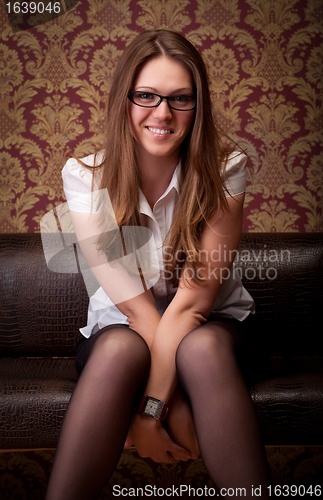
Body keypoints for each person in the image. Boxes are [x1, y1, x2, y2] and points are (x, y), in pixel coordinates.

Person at [45, 29, 271, 500]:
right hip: (126, 333)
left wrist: (151, 412)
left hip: (215, 332)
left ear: (197, 105)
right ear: (124, 101)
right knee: (119, 349)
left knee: (201, 347)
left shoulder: (225, 168)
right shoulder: (85, 178)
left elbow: (191, 306)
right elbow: (139, 312)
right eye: (146, 96)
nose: (162, 114)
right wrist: (171, 402)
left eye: (180, 99)